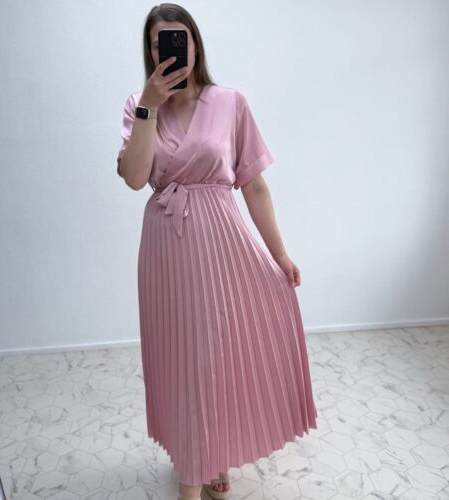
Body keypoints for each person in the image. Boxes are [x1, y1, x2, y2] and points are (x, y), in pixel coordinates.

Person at [116, 4, 318, 500]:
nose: (171, 50)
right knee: (178, 358)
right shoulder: (138, 106)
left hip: (221, 245)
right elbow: (135, 178)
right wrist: (149, 106)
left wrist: (280, 254)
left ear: (195, 44)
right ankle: (197, 461)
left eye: (179, 39)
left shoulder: (230, 102)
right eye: (159, 43)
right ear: (150, 53)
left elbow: (254, 186)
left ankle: (207, 458)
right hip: (166, 250)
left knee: (216, 355)